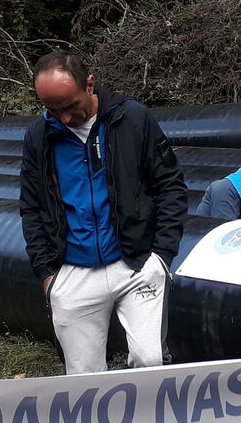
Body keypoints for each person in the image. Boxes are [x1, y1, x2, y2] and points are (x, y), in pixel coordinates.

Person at [20, 52, 187, 375]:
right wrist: (47, 274)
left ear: (90, 84)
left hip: (135, 262)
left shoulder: (131, 118)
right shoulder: (39, 136)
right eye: (53, 109)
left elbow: (170, 185)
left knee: (150, 362)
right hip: (72, 270)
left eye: (70, 106)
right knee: (84, 379)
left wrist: (162, 256)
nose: (64, 118)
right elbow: (31, 206)